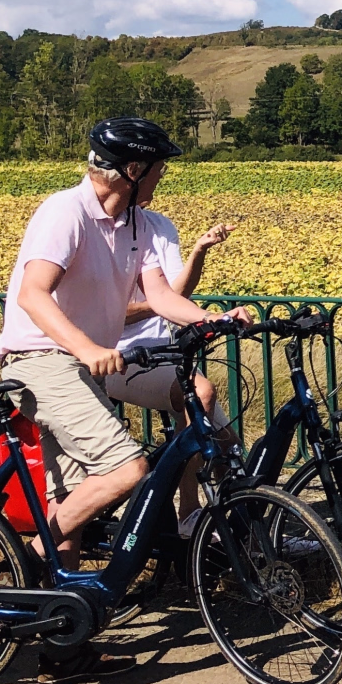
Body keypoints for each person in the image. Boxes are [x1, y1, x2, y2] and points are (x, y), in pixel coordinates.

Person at [0, 118, 246, 679]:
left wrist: (211, 318)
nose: (162, 178)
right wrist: (86, 346)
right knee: (127, 469)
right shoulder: (65, 212)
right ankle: (27, 560)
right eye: (158, 169)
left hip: (82, 365)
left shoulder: (135, 223)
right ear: (133, 169)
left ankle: (63, 646)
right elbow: (33, 294)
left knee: (72, 496)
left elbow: (160, 296)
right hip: (40, 358)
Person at [106, 219, 238, 533]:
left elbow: (178, 293)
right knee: (201, 393)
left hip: (163, 355)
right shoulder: (103, 231)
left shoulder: (160, 226)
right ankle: (188, 512)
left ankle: (242, 534)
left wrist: (199, 251)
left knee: (229, 447)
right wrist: (160, 305)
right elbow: (109, 314)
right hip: (116, 357)